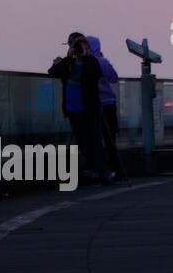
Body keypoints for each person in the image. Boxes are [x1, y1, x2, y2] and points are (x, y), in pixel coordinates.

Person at [48, 32, 108, 185]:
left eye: (80, 47)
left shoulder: (91, 62)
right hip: (74, 109)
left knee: (94, 140)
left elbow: (97, 74)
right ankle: (93, 170)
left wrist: (86, 57)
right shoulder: (67, 63)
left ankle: (100, 171)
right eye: (75, 47)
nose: (78, 50)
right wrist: (68, 57)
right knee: (83, 141)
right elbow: (53, 72)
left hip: (89, 108)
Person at [86, 36, 124, 182]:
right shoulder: (102, 62)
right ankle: (116, 170)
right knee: (110, 139)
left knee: (95, 139)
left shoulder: (83, 63)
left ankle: (101, 170)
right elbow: (114, 78)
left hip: (92, 105)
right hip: (108, 104)